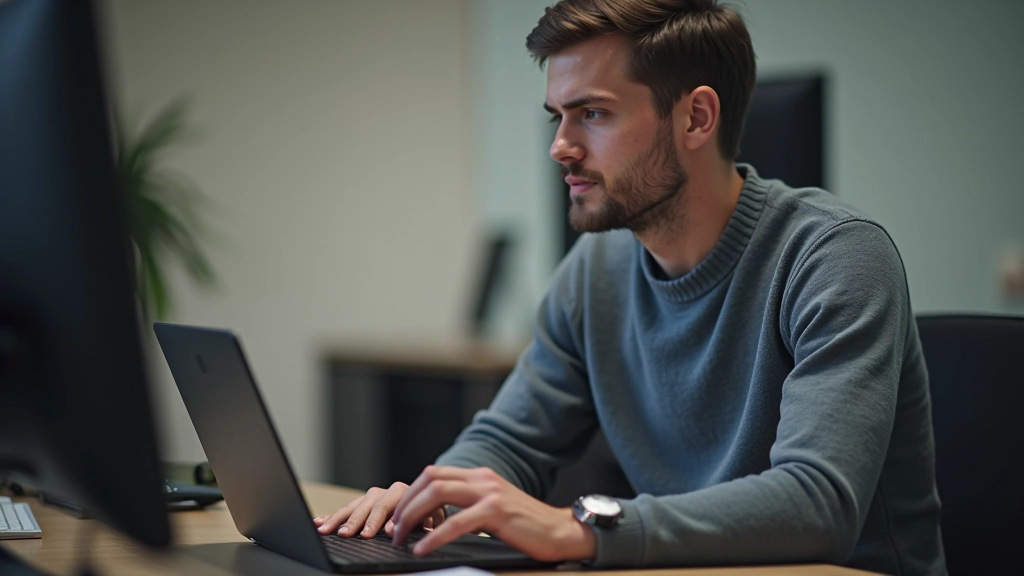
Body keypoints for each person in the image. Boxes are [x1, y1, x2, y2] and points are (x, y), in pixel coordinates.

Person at [314, 1, 946, 573]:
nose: (560, 147)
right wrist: (436, 495)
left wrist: (581, 528)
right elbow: (509, 439)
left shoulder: (836, 256)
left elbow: (818, 504)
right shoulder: (594, 273)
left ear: (696, 117)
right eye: (558, 117)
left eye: (592, 113)